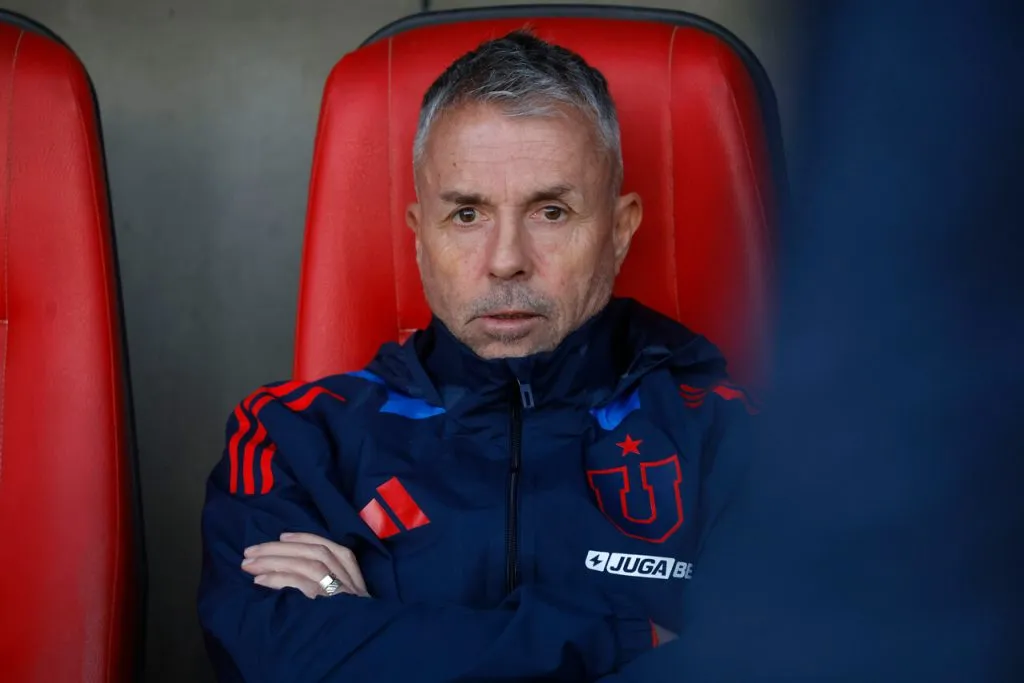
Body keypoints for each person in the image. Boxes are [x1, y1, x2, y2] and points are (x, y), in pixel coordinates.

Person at [198, 30, 756, 682]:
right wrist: (628, 640)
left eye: (551, 211)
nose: (505, 259)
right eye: (467, 214)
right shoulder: (293, 436)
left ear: (619, 229)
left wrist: (370, 626)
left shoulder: (726, 437)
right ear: (419, 236)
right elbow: (276, 659)